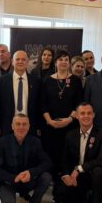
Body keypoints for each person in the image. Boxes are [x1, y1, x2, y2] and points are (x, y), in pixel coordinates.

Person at [54, 102, 102, 203]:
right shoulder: (70, 135)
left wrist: (79, 168)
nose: (86, 116)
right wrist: (65, 175)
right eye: (82, 113)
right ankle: (82, 199)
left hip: (94, 175)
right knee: (59, 194)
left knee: (99, 172)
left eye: (89, 113)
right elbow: (64, 160)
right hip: (78, 177)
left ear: (94, 115)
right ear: (77, 116)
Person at [0, 114, 52, 203]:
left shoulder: (35, 141)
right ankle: (16, 196)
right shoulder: (3, 142)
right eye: (18, 124)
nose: (21, 127)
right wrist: (14, 178)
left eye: (24, 124)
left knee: (46, 177)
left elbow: (47, 163)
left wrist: (31, 172)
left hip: (27, 180)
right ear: (12, 126)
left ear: (29, 126)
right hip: (9, 182)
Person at [40, 50, 83, 178]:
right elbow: (42, 104)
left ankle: (67, 180)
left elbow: (79, 103)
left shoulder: (75, 81)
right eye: (60, 59)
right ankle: (51, 180)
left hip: (70, 126)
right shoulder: (47, 80)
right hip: (50, 126)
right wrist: (49, 121)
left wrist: (69, 119)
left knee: (68, 154)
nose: (63, 62)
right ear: (55, 62)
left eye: (66, 60)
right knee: (51, 154)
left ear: (69, 63)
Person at [0, 50, 41, 138]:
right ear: (12, 62)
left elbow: (38, 105)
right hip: (7, 127)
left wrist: (38, 126)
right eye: (17, 59)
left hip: (30, 127)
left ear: (27, 62)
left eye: (23, 59)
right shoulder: (1, 82)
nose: (20, 62)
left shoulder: (36, 82)